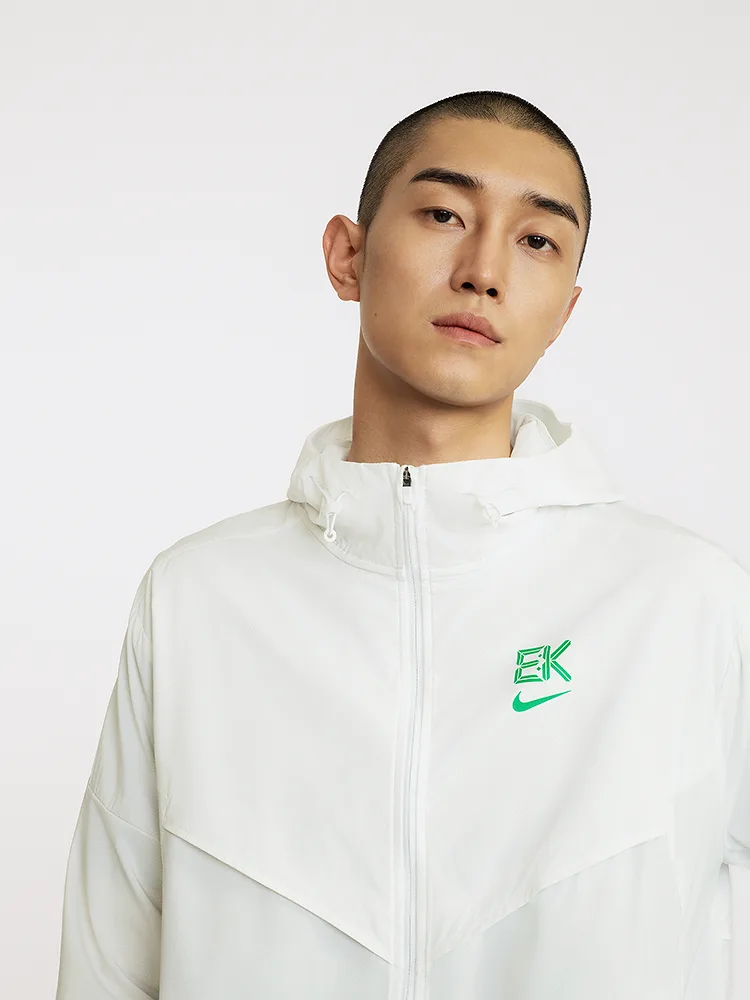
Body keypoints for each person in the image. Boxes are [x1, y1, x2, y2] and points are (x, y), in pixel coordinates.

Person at [54, 89, 750, 1000]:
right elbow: (108, 967)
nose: (483, 271)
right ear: (348, 255)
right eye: (443, 215)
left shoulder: (682, 601)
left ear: (565, 310)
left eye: (537, 240)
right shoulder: (197, 600)